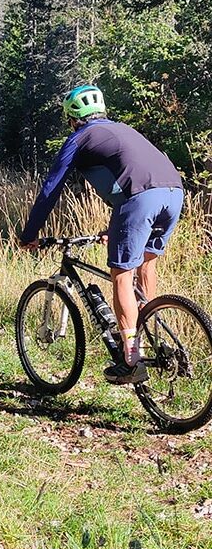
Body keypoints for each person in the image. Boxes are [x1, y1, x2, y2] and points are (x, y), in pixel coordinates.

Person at [19, 85, 183, 385]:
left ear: (72, 119)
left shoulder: (79, 137)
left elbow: (50, 190)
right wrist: (115, 227)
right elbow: (126, 178)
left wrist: (29, 233)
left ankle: (131, 357)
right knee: (146, 265)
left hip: (140, 199)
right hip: (174, 193)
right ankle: (152, 329)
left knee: (121, 275)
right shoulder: (123, 130)